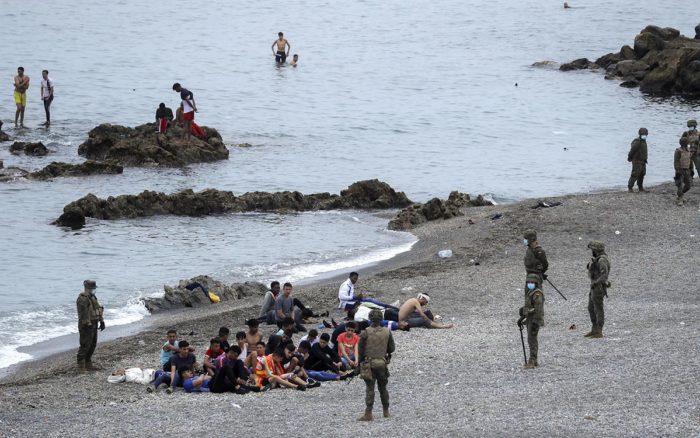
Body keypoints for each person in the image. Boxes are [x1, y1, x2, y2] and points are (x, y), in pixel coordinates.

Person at [357, 309, 395, 421]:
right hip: (382, 363)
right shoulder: (387, 332)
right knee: (383, 388)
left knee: (370, 389)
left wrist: (358, 366)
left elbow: (360, 351)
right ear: (381, 319)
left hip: (369, 364)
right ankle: (386, 411)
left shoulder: (365, 333)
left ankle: (368, 413)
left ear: (370, 318)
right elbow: (392, 348)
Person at [76, 279, 105, 372]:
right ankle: (81, 365)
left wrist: (101, 321)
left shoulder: (92, 297)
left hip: (94, 322)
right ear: (87, 288)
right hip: (86, 325)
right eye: (91, 288)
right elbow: (82, 314)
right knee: (85, 345)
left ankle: (88, 363)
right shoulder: (82, 298)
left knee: (92, 345)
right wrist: (87, 324)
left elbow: (98, 309)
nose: (92, 290)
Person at [517, 274, 545, 369]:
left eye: (532, 282)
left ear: (536, 283)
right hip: (530, 318)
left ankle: (532, 359)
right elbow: (529, 306)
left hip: (534, 319)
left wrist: (535, 322)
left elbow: (538, 309)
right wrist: (522, 313)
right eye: (528, 282)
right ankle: (533, 359)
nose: (530, 284)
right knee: (530, 339)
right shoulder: (530, 292)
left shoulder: (537, 294)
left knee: (532, 339)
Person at [585, 241, 611, 338]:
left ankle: (599, 330)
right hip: (594, 286)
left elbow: (604, 275)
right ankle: (594, 328)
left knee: (598, 308)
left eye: (593, 250)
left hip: (598, 287)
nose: (592, 251)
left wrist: (596, 282)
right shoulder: (597, 259)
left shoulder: (602, 260)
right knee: (591, 308)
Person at [674, 136, 694, 206]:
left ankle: (680, 195)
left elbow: (690, 161)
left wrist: (692, 170)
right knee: (679, 185)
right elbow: (676, 162)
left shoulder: (688, 151)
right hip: (680, 170)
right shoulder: (678, 151)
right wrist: (677, 170)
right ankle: (680, 199)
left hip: (687, 170)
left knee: (688, 185)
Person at [627, 128, 649, 192]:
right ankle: (630, 187)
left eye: (645, 134)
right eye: (643, 134)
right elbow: (632, 150)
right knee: (635, 174)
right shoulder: (637, 142)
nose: (645, 135)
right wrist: (629, 157)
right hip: (637, 161)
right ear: (640, 134)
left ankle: (640, 187)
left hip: (643, 161)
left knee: (642, 174)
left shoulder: (643, 141)